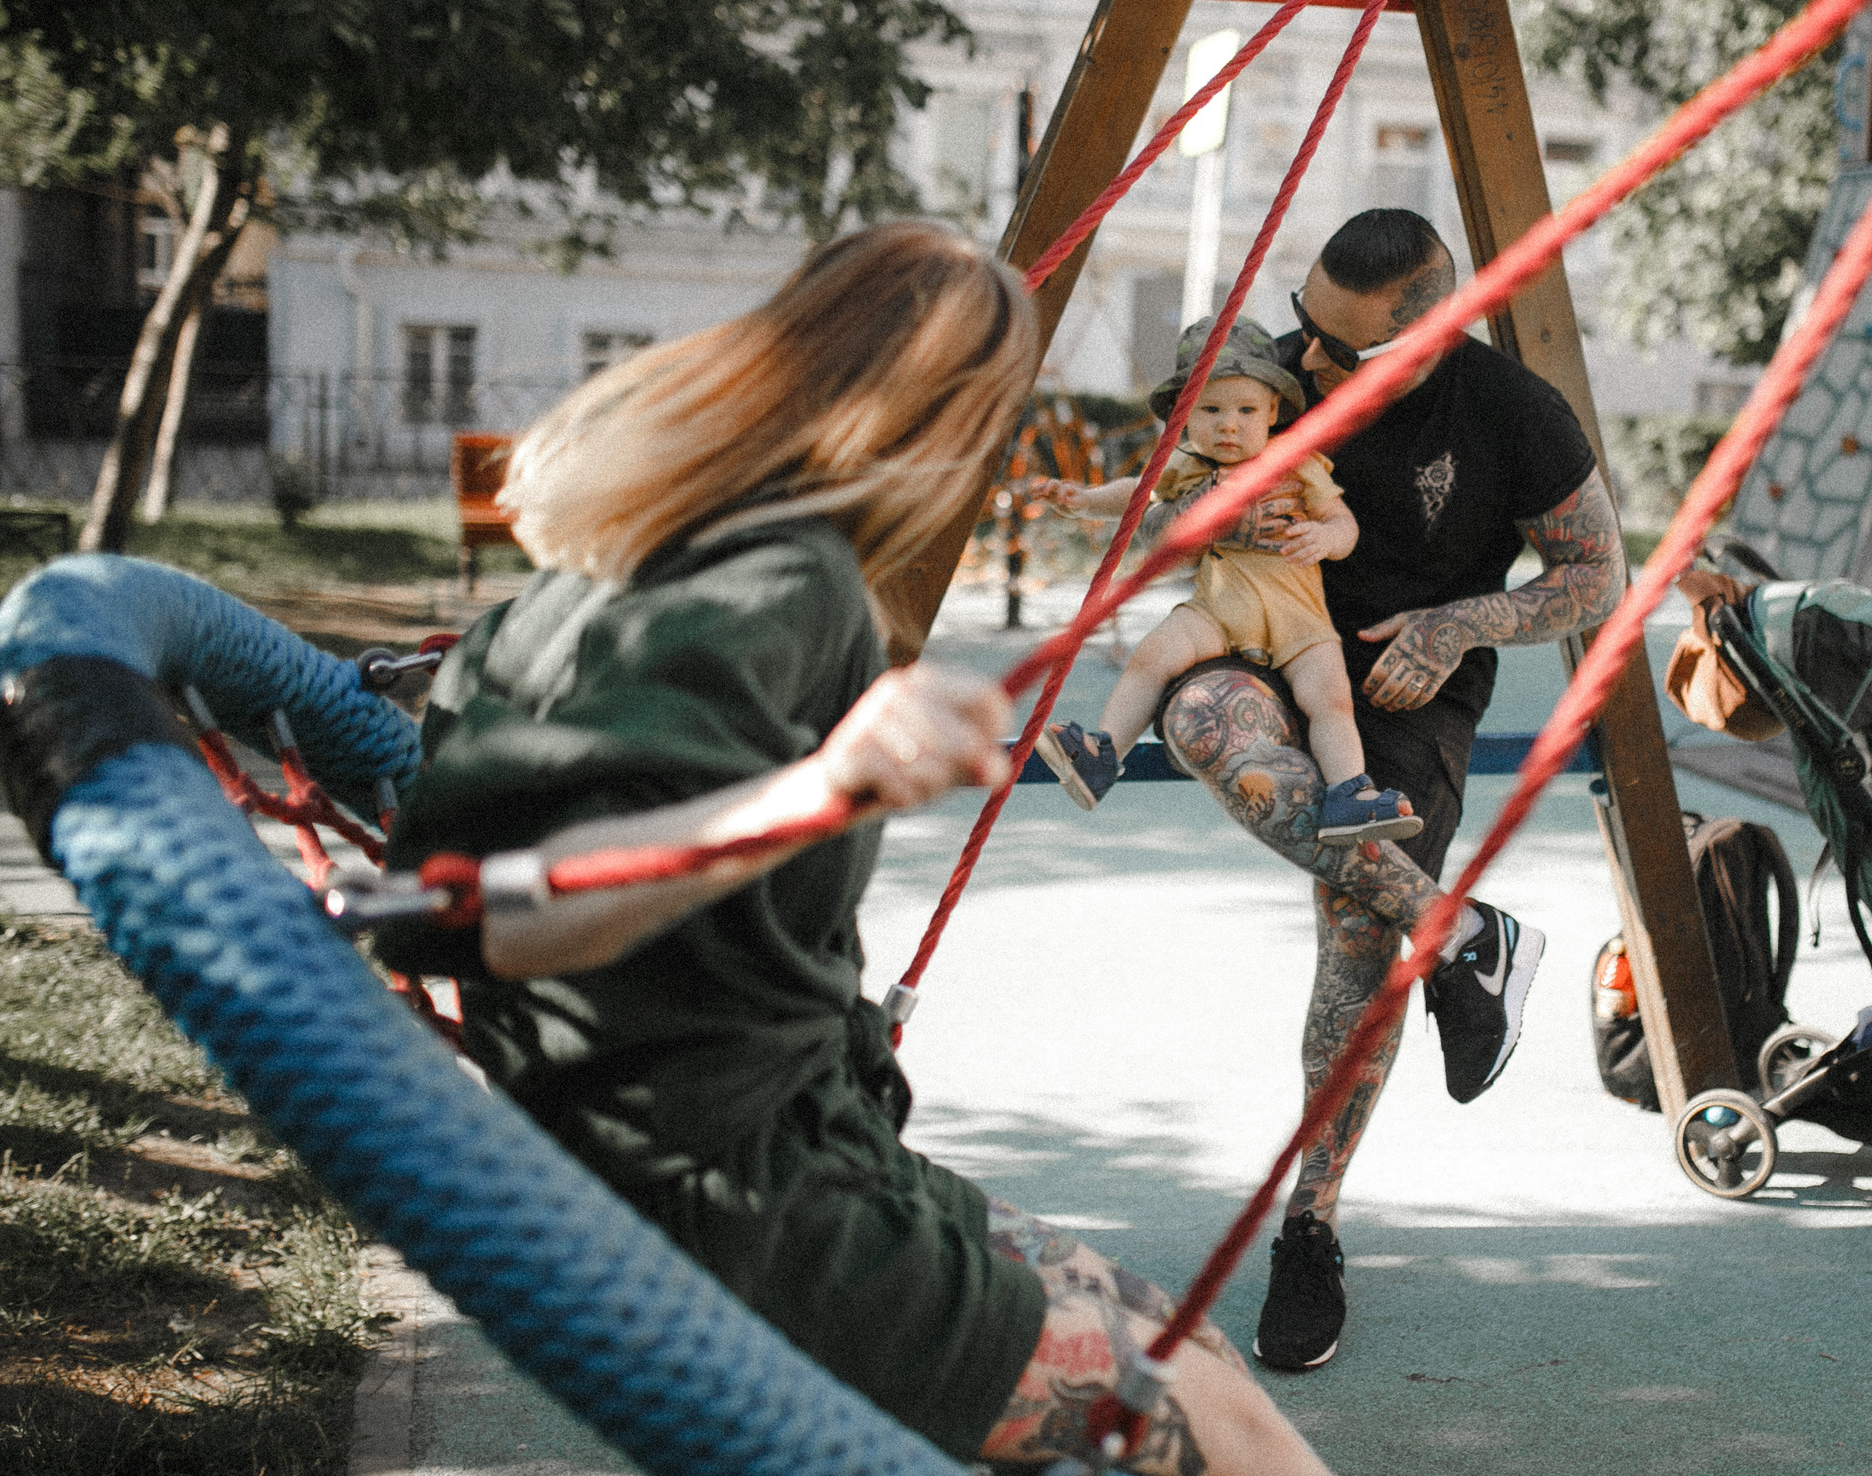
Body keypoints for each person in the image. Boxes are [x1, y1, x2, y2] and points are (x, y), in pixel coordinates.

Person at [373, 222, 1329, 1476]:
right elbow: (483, 914)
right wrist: (819, 790)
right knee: (1234, 1441)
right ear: (943, 422)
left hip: (793, 1142)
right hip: (740, 1199)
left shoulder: (621, 557)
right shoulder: (788, 584)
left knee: (1197, 1359)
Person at [1147, 209, 1626, 1373]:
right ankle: (1465, 938)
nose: (1305, 357)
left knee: (1357, 930)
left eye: (1338, 346)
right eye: (1304, 321)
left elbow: (1596, 575)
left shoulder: (1512, 414)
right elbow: (1173, 469)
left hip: (1408, 693)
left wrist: (1462, 622)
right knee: (1206, 716)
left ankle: (1309, 1225)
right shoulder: (1276, 374)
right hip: (1262, 643)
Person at [1029, 316, 1424, 847]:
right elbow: (1136, 493)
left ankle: (1348, 794)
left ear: (1273, 413)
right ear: (1184, 416)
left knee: (1329, 699)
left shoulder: (1295, 463)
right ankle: (1104, 755)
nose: (1228, 426)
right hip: (1217, 609)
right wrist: (1082, 503)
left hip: (1297, 617)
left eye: (1245, 410)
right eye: (1210, 411)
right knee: (1152, 655)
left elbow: (1344, 523)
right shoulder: (1190, 466)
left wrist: (1325, 539)